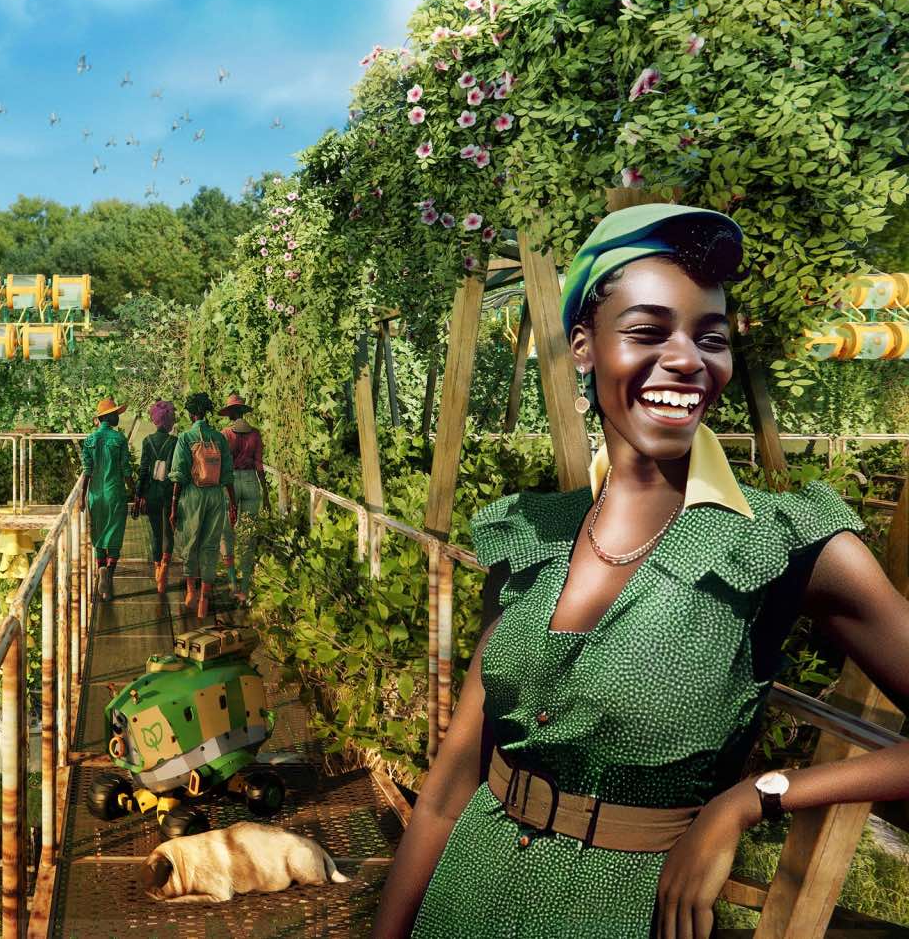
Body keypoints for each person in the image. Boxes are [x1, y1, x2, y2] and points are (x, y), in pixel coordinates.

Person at [372, 204, 909, 939]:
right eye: (650, 332)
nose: (687, 358)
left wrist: (755, 797)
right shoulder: (530, 538)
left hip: (625, 913)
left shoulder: (786, 546)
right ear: (585, 347)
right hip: (467, 894)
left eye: (709, 338)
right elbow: (448, 786)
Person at [169, 392, 237, 619]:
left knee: (190, 542)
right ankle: (205, 600)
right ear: (206, 411)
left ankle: (191, 592)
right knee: (210, 545)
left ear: (191, 413)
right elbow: (227, 474)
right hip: (217, 496)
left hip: (193, 496)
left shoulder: (186, 438)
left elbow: (179, 473)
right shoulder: (219, 438)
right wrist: (233, 503)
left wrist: (173, 505)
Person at [82, 397, 131, 600]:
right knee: (114, 537)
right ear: (109, 417)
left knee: (99, 535)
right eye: (116, 414)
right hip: (115, 493)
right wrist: (134, 490)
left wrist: (83, 496)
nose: (118, 417)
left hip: (95, 494)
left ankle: (101, 569)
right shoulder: (119, 440)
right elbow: (126, 470)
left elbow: (87, 471)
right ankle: (108, 578)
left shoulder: (90, 440)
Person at [218, 393, 264, 600]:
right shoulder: (255, 434)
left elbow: (222, 465)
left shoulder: (225, 434)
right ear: (243, 412)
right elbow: (259, 465)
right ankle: (245, 587)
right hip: (252, 482)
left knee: (227, 532)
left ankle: (232, 582)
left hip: (231, 483)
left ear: (229, 414)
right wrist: (267, 493)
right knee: (248, 534)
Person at [134, 399, 180, 591]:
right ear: (168, 421)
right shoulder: (175, 441)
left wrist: (139, 495)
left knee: (155, 533)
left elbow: (143, 470)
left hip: (152, 492)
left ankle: (156, 569)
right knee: (168, 533)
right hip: (169, 493)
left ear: (155, 420)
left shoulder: (147, 441)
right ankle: (164, 571)